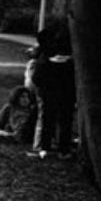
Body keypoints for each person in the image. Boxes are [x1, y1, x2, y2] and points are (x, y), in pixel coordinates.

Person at [27, 22, 76, 158]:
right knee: (65, 121)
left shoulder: (44, 61)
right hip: (67, 95)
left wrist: (43, 89)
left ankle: (45, 148)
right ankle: (63, 149)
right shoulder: (71, 64)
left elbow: (37, 79)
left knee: (48, 120)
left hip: (49, 94)